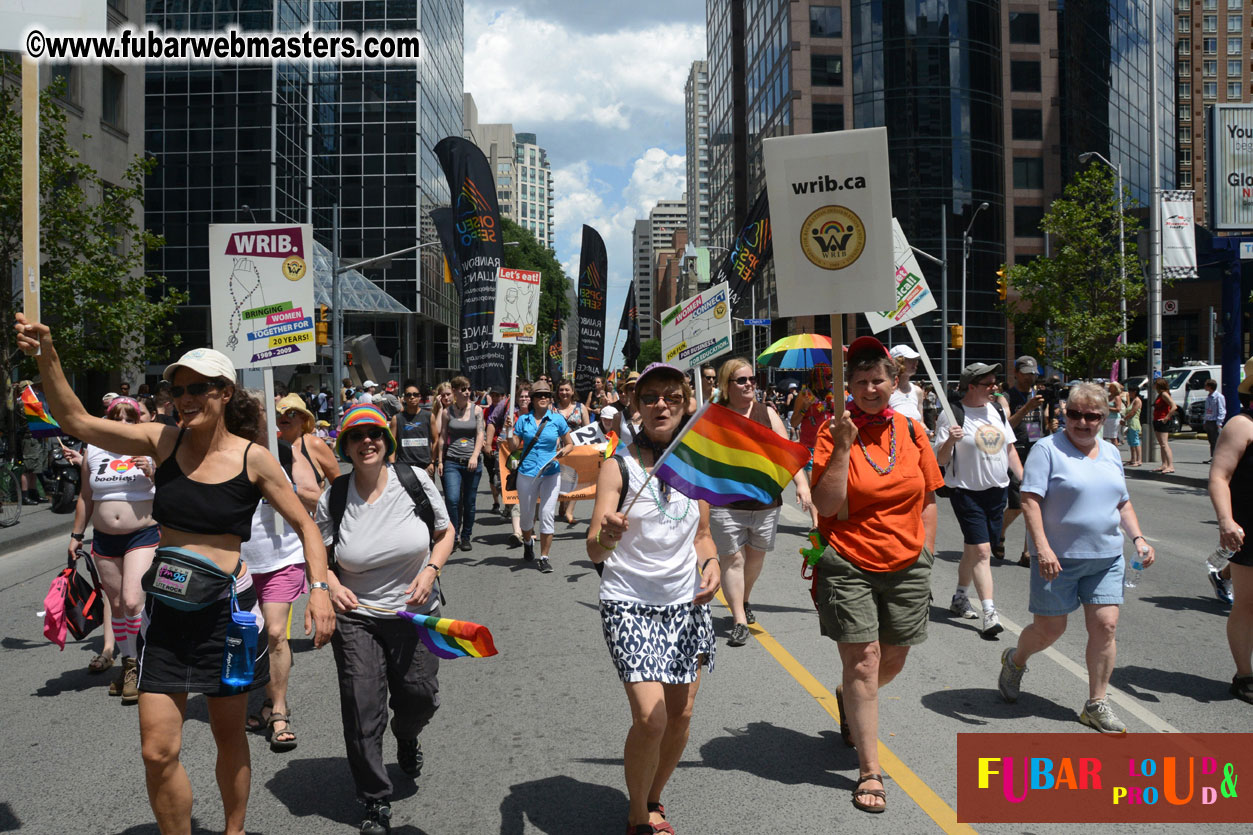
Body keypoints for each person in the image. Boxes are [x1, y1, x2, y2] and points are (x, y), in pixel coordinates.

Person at [15, 319, 335, 835]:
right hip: (166, 612)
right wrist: (46, 353)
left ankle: (234, 831)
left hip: (226, 617)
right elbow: (74, 418)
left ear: (224, 393)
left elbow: (306, 526)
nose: (184, 399)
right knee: (157, 750)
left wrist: (318, 590)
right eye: (177, 389)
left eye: (197, 389)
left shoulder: (254, 458)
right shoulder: (161, 441)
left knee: (229, 737)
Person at [809, 336, 942, 813]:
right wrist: (842, 445)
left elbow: (927, 499)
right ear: (850, 386)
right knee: (864, 661)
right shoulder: (831, 431)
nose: (869, 388)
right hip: (848, 559)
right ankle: (870, 771)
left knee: (894, 657)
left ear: (894, 381)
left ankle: (848, 695)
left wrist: (926, 554)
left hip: (907, 562)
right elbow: (825, 505)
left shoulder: (911, 430)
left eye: (877, 380)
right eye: (860, 381)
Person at [586, 362, 721, 834]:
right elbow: (592, 548)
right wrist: (607, 532)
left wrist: (713, 566)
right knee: (651, 719)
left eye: (671, 396)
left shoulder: (695, 465)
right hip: (629, 602)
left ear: (685, 403)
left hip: (685, 606)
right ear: (636, 406)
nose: (660, 404)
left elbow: (703, 536)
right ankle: (638, 815)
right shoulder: (617, 464)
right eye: (650, 397)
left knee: (681, 718)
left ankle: (654, 796)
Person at [316, 405, 453, 833]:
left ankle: (407, 735)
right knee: (362, 705)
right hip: (357, 615)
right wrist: (330, 585)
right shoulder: (335, 495)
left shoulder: (414, 482)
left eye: (374, 434)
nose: (366, 442)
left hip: (413, 615)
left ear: (387, 441)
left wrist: (431, 570)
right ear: (346, 447)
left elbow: (444, 532)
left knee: (419, 696)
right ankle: (374, 798)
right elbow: (318, 552)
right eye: (356, 437)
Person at [998, 383, 1155, 733]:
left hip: (1106, 558)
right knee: (1049, 631)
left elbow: (1122, 501)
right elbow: (1030, 501)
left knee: (1106, 626)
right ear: (1064, 414)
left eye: (1092, 416)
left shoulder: (1112, 452)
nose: (1082, 422)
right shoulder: (1046, 449)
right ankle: (1015, 659)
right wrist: (1042, 548)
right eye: (1074, 414)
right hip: (1058, 560)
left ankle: (1096, 704)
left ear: (1104, 417)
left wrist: (1138, 539)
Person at [711, 357, 814, 646]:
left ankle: (743, 601)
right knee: (733, 560)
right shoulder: (715, 415)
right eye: (742, 380)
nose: (749, 385)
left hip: (765, 503)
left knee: (754, 561)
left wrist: (802, 485)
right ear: (727, 384)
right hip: (726, 505)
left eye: (752, 379)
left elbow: (787, 452)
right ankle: (739, 620)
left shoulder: (766, 412)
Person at [242, 391, 322, 753]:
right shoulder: (223, 454)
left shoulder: (287, 453)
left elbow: (314, 496)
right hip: (239, 561)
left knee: (276, 632)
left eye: (259, 412)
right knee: (251, 636)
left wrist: (284, 487)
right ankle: (262, 697)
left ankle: (278, 709)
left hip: (281, 558)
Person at [68, 396, 158, 700]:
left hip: (142, 535)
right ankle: (128, 662)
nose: (123, 423)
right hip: (104, 539)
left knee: (133, 602)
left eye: (129, 418)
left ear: (138, 421)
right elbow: (86, 497)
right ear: (107, 420)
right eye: (116, 417)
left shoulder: (151, 447)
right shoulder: (93, 449)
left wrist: (154, 472)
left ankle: (140, 662)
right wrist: (76, 534)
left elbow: (176, 487)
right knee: (117, 605)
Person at [933, 362, 1023, 637]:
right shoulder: (951, 415)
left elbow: (1009, 450)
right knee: (983, 552)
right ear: (971, 386)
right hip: (966, 492)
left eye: (995, 382)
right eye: (988, 384)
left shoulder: (996, 411)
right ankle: (989, 613)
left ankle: (960, 597)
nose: (994, 388)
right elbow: (939, 459)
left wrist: (1026, 481)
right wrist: (950, 441)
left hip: (997, 491)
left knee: (974, 549)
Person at [1207, 360, 1253, 699]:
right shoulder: (1242, 425)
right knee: (1248, 604)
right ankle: (1245, 676)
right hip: (1248, 528)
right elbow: (1219, 476)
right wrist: (1226, 520)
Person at [505, 380, 572, 572]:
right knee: (526, 517)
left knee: (547, 514)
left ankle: (544, 557)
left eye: (546, 395)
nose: (543, 398)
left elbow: (569, 443)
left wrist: (563, 452)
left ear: (550, 399)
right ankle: (527, 542)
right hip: (527, 474)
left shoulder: (557, 419)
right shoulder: (523, 420)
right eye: (539, 395)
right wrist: (509, 431)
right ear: (532, 400)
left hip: (551, 473)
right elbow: (513, 446)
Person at [1001, 356, 1054, 566]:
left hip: (1037, 452)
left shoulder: (1038, 395)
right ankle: (999, 532)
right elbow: (1006, 426)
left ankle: (1026, 553)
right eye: (1026, 373)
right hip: (1016, 453)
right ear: (1016, 373)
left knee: (1035, 504)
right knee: (1016, 506)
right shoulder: (1006, 397)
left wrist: (1053, 423)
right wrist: (1026, 408)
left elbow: (1044, 421)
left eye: (1033, 373)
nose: (1030, 377)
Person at [436, 376, 484, 552]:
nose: (467, 392)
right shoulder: (447, 412)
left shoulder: (477, 411)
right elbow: (442, 438)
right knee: (452, 499)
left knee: (469, 502)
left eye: (468, 389)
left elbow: (480, 435)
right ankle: (453, 535)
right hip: (452, 461)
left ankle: (466, 536)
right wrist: (440, 460)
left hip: (472, 462)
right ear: (455, 391)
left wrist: (474, 456)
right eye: (463, 389)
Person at [275, 393, 338, 507]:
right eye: (279, 414)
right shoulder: (272, 445)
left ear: (303, 418)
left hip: (314, 517)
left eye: (291, 413)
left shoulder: (315, 444)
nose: (283, 417)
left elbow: (338, 483)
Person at [554, 378, 591, 526]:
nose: (564, 392)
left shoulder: (581, 408)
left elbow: (588, 428)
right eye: (561, 389)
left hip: (577, 447)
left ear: (572, 391)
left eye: (567, 389)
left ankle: (570, 510)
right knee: (561, 476)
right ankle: (563, 502)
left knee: (576, 478)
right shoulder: (553, 408)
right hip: (558, 447)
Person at [391, 380, 436, 480]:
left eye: (415, 394)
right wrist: (393, 465)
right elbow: (392, 443)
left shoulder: (429, 416)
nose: (412, 397)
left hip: (425, 465)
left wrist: (432, 462)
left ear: (420, 397)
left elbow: (435, 440)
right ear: (404, 398)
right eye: (409, 395)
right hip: (404, 467)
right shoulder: (397, 418)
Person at [887, 344, 924, 421]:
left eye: (916, 360)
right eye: (910, 360)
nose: (915, 363)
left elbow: (921, 423)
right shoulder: (886, 391)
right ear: (898, 362)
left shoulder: (917, 391)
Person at [1151, 377, 1177, 474]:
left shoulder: (1164, 394)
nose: (1153, 385)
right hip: (1157, 420)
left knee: (1164, 444)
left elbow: (1174, 406)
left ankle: (1170, 465)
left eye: (1155, 383)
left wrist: (1166, 418)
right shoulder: (1160, 395)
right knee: (1161, 444)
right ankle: (1164, 464)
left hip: (1162, 421)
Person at [1203, 378, 1226, 463]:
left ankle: (1218, 458)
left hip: (1214, 421)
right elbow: (1207, 410)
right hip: (1209, 420)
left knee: (1216, 440)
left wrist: (1219, 422)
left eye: (1206, 385)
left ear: (1210, 387)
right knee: (1211, 440)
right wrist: (1205, 421)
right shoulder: (1209, 397)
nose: (1204, 387)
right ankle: (1213, 457)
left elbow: (1221, 410)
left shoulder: (1219, 397)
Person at [1121, 383, 1143, 468]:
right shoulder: (1133, 400)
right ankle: (1133, 458)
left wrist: (1124, 419)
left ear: (1135, 391)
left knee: (1135, 441)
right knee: (1131, 442)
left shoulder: (1137, 400)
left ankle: (1139, 460)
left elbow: (1133, 412)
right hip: (1130, 423)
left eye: (1130, 391)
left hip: (1134, 423)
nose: (1129, 393)